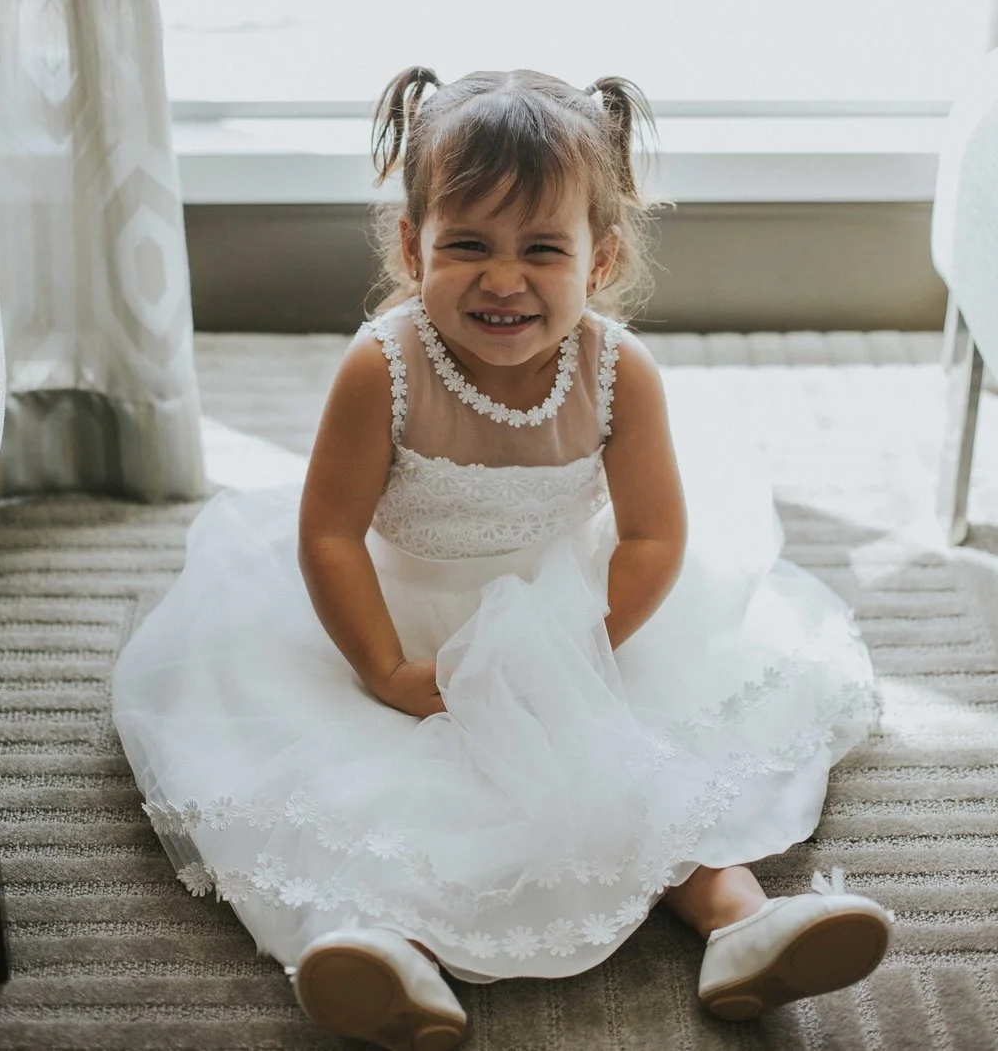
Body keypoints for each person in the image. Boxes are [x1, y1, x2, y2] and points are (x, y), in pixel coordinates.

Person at [112, 67, 894, 1048]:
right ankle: (379, 946)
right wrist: (387, 671)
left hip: (582, 611)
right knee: (377, 783)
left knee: (637, 766)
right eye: (469, 245)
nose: (503, 279)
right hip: (398, 619)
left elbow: (653, 536)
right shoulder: (381, 368)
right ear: (413, 247)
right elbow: (328, 534)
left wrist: (578, 650)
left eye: (542, 249)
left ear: (600, 261)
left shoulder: (618, 372)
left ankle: (739, 923)